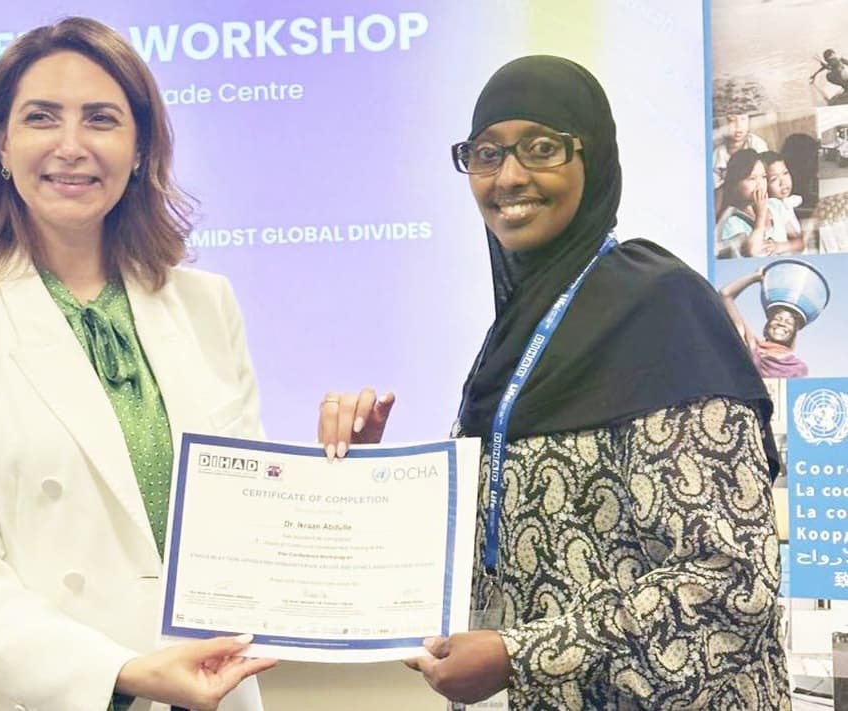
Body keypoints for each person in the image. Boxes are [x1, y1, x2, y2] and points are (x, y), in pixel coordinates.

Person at [319, 56, 790, 709]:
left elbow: (731, 581)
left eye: (541, 148)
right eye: (486, 154)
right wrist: (364, 481)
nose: (509, 176)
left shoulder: (661, 309)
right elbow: (502, 546)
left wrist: (522, 655)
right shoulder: (516, 336)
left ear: (591, 158)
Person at [0, 17, 274, 711]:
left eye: (101, 118)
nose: (71, 145)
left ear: (140, 146)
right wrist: (119, 671)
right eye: (40, 118)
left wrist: (333, 478)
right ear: (1, 143)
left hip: (196, 687)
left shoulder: (207, 304)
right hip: (12, 694)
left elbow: (242, 517)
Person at [720, 270, 810, 377]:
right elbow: (725, 294)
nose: (781, 323)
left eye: (788, 322)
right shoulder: (752, 347)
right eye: (777, 319)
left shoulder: (798, 367)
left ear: (794, 332)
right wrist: (755, 277)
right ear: (767, 326)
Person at [715, 148, 803, 258]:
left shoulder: (775, 205)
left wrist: (779, 246)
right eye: (752, 178)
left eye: (763, 177)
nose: (760, 184)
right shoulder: (731, 220)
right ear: (735, 184)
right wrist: (761, 214)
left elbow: (800, 243)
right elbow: (753, 252)